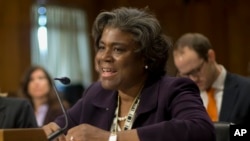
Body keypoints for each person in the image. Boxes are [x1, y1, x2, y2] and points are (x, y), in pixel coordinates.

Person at [42, 7, 215, 141]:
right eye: (102, 47)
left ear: (146, 57)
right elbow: (60, 126)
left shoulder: (172, 90)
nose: (104, 57)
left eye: (118, 49)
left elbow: (201, 130)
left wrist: (111, 138)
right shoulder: (96, 93)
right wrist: (49, 131)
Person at [173, 33, 250, 125]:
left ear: (210, 56)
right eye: (186, 75)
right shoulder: (183, 98)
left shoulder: (246, 89)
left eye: (196, 70)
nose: (193, 79)